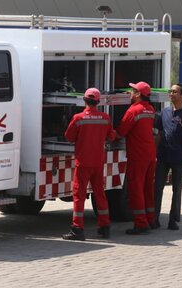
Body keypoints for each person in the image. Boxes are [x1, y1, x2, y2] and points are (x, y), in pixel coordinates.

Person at [62, 88, 116, 241]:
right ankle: (105, 228)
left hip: (83, 162)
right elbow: (112, 136)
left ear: (84, 100)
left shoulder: (78, 118)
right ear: (98, 102)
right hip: (98, 162)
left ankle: (77, 229)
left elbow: (69, 137)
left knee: (79, 196)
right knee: (100, 194)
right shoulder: (105, 118)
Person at [153, 83, 182, 231]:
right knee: (157, 188)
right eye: (170, 91)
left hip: (179, 158)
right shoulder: (163, 112)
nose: (171, 94)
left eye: (174, 92)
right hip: (163, 157)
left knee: (176, 189)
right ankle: (154, 219)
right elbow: (159, 134)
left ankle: (173, 220)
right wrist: (154, 153)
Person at [116, 81, 157, 235]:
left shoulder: (133, 110)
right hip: (150, 153)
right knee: (148, 188)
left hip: (138, 155)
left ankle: (140, 224)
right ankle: (151, 219)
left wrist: (106, 134)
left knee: (136, 188)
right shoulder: (150, 109)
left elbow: (121, 131)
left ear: (139, 94)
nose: (130, 93)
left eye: (132, 90)